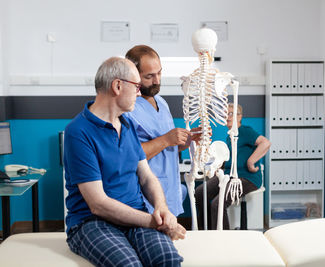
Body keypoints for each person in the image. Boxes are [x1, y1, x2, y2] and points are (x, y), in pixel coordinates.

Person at [64, 57, 185, 267]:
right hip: (91, 223)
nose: (139, 93)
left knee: (168, 260)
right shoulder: (78, 132)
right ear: (117, 86)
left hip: (135, 215)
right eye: (137, 86)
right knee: (129, 265)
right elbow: (98, 205)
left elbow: (146, 177)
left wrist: (161, 208)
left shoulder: (127, 125)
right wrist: (156, 222)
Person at [125, 45, 201, 217]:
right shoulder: (128, 108)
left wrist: (186, 141)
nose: (157, 80)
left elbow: (168, 149)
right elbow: (128, 155)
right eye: (149, 76)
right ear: (133, 75)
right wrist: (167, 139)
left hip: (170, 190)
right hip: (145, 195)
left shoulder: (162, 103)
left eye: (159, 73)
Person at [195, 103, 271, 230]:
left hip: (247, 178)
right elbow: (231, 158)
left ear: (239, 117)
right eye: (225, 114)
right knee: (200, 192)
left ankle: (224, 237)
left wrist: (250, 162)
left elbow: (265, 143)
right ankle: (206, 230)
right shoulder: (229, 137)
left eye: (231, 113)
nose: (227, 117)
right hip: (229, 175)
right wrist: (217, 167)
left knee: (217, 203)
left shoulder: (245, 131)